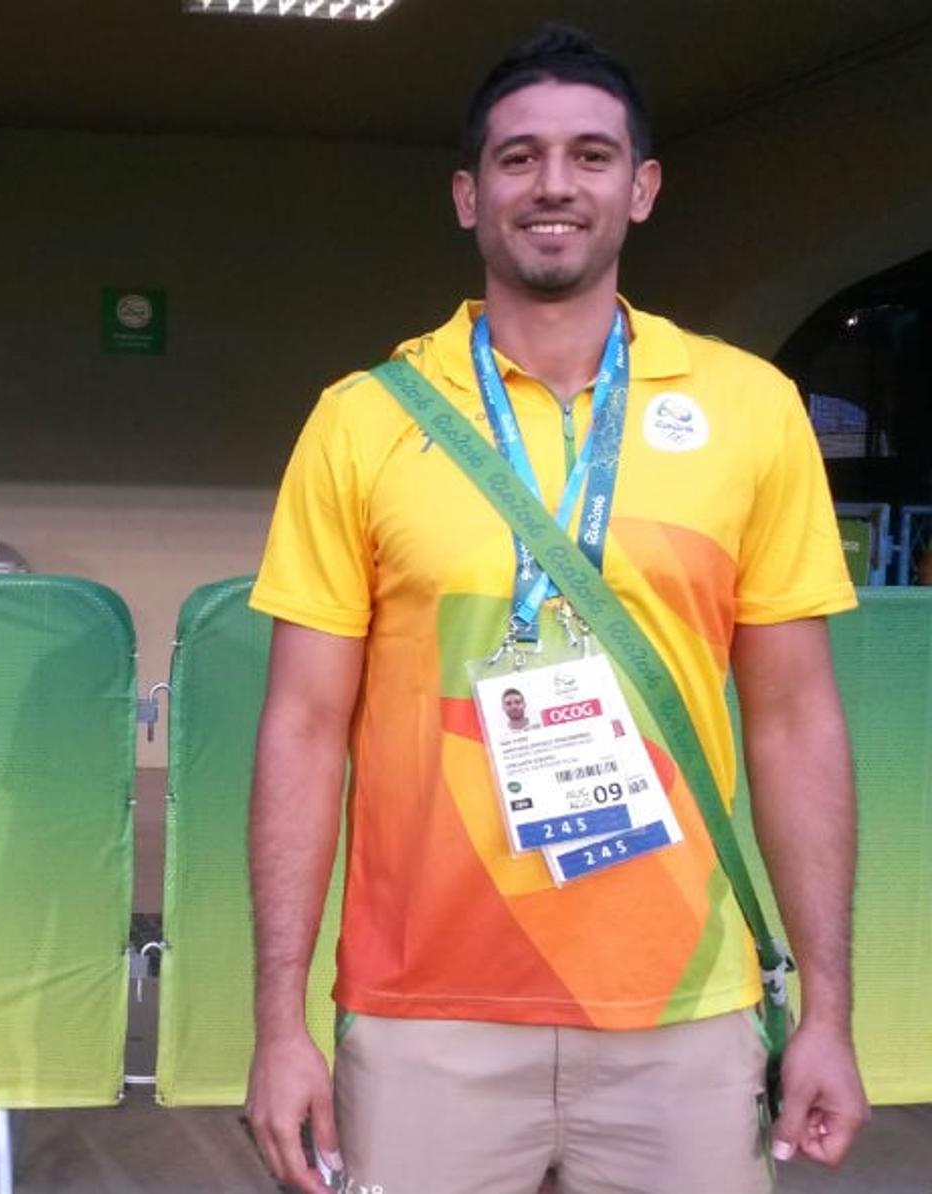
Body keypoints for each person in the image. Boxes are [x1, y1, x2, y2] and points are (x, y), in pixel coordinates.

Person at [244, 25, 867, 1194]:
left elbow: (794, 723)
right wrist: (280, 1027)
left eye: (591, 155)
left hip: (683, 1012)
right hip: (424, 1012)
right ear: (469, 195)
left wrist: (829, 1009)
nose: (554, 185)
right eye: (519, 158)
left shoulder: (753, 408)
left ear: (641, 188)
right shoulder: (364, 418)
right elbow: (300, 729)